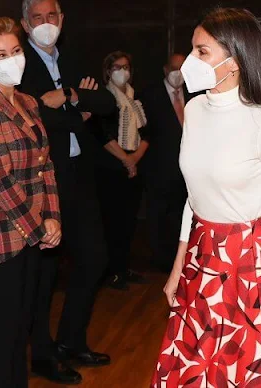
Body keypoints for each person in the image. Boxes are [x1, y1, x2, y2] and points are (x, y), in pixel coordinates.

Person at [152, 8, 261, 386]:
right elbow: (194, 196)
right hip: (202, 259)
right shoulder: (195, 109)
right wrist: (178, 265)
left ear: (234, 61)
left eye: (202, 51)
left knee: (247, 371)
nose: (190, 60)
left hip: (250, 265)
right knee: (197, 371)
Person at [19, 0, 117, 384]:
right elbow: (32, 114)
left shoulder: (74, 57)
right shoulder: (20, 62)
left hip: (80, 176)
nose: (46, 24)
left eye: (52, 16)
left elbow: (106, 103)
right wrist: (79, 111)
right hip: (44, 182)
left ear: (62, 19)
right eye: (38, 18)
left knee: (95, 258)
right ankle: (42, 356)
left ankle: (71, 341)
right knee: (44, 275)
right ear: (26, 24)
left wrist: (71, 96)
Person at [0, 17, 62, 387]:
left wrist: (53, 217)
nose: (12, 59)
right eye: (1, 55)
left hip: (35, 232)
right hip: (4, 237)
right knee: (5, 338)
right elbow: (0, 182)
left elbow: (45, 165)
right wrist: (39, 228)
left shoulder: (29, 103)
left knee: (23, 332)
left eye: (16, 51)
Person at [94, 50, 149, 290]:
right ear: (108, 71)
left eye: (126, 67)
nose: (122, 72)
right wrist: (126, 159)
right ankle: (111, 271)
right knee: (111, 222)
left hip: (132, 167)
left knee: (128, 221)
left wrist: (134, 159)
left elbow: (147, 132)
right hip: (109, 168)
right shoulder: (104, 98)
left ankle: (123, 267)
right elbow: (102, 134)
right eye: (117, 67)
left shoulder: (135, 99)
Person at [142, 53, 193, 273]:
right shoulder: (150, 94)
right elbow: (145, 131)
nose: (178, 73)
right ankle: (160, 258)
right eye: (174, 68)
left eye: (182, 68)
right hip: (158, 167)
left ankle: (178, 257)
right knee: (157, 214)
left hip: (186, 168)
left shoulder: (193, 94)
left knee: (180, 214)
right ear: (165, 70)